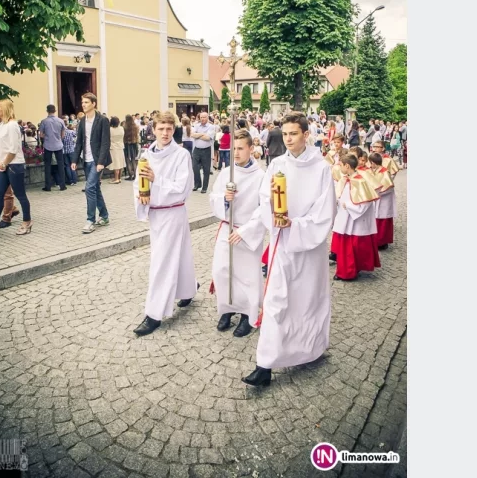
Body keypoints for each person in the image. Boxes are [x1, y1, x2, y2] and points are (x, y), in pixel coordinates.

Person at [242, 112, 335, 387]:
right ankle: (265, 364)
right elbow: (264, 201)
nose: (288, 139)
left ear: (306, 135)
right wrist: (273, 206)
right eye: (285, 134)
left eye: (293, 134)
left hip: (310, 249)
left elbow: (325, 210)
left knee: (308, 300)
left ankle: (312, 347)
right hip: (282, 244)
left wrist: (297, 224)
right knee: (276, 301)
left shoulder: (321, 168)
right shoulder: (277, 165)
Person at [131, 111, 199, 336]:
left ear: (174, 130)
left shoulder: (181, 155)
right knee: (178, 256)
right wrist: (141, 196)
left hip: (172, 213)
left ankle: (154, 314)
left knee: (161, 262)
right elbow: (137, 183)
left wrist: (156, 180)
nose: (165, 133)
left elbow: (183, 187)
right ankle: (188, 290)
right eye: (160, 129)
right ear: (153, 130)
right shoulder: (147, 154)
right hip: (156, 215)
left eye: (169, 129)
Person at [208, 129, 266, 338]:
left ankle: (247, 315)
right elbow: (213, 195)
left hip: (247, 230)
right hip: (227, 226)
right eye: (233, 148)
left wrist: (246, 231)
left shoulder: (261, 177)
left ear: (251, 149)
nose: (236, 153)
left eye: (241, 148)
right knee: (222, 269)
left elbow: (264, 209)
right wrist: (224, 198)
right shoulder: (227, 172)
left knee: (247, 275)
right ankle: (227, 308)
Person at [330, 152, 381, 281]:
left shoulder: (360, 181)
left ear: (347, 166)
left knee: (351, 247)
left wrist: (349, 206)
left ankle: (348, 272)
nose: (339, 167)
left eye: (341, 165)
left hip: (354, 220)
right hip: (345, 217)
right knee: (346, 246)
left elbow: (365, 203)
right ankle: (347, 270)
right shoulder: (346, 179)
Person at [0, 99, 33, 237]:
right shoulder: (2, 125)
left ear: (5, 110)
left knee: (20, 195)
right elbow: (1, 147)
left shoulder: (12, 125)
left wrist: (4, 163)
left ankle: (27, 221)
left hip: (14, 165)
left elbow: (13, 148)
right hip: (4, 165)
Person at [71, 93, 112, 234]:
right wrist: (75, 160)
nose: (83, 104)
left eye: (86, 102)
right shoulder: (82, 121)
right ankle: (105, 216)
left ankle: (90, 220)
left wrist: (101, 162)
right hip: (86, 160)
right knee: (95, 189)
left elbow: (105, 142)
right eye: (82, 102)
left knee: (89, 188)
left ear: (94, 104)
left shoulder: (102, 120)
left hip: (97, 161)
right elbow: (79, 142)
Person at [367, 149, 396, 249]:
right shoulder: (376, 171)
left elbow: (388, 187)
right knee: (377, 221)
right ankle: (377, 241)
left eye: (370, 163)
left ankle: (382, 242)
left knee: (383, 222)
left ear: (373, 163)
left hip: (384, 201)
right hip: (378, 199)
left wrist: (376, 192)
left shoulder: (384, 172)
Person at [37, 104, 68, 192]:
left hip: (48, 145)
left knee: (47, 166)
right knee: (61, 165)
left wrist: (47, 137)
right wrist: (58, 139)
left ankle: (48, 186)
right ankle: (62, 185)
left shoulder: (44, 121)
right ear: (55, 110)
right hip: (58, 145)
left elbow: (41, 134)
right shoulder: (61, 121)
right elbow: (63, 134)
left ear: (47, 111)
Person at [191, 111, 215, 193]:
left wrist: (198, 134)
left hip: (206, 150)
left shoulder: (211, 127)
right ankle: (197, 184)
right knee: (195, 167)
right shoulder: (196, 125)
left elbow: (208, 138)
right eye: (201, 117)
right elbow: (192, 135)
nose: (202, 119)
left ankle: (204, 187)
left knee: (206, 169)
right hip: (196, 149)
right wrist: (202, 134)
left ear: (207, 118)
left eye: (204, 117)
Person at [107, 115, 126, 184]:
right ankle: (119, 178)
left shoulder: (110, 129)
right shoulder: (121, 128)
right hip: (120, 146)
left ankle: (116, 178)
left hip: (113, 147)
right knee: (120, 162)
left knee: (116, 164)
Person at [123, 115, 139, 181]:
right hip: (134, 144)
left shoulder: (124, 127)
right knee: (133, 160)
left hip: (127, 144)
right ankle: (135, 175)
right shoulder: (136, 126)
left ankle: (130, 175)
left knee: (127, 160)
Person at [63, 121, 78, 185]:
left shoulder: (62, 133)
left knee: (67, 166)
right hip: (71, 150)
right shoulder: (71, 132)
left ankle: (70, 180)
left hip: (64, 151)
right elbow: (77, 137)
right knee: (73, 165)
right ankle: (74, 180)